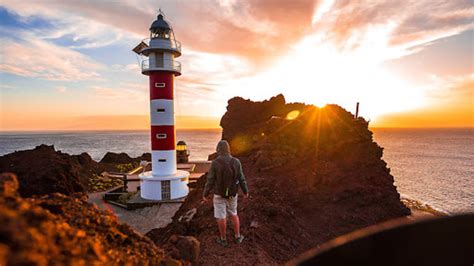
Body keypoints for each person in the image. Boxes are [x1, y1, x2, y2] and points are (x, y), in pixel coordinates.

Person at [202, 140, 249, 247]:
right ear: (228, 149)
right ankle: (237, 237)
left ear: (218, 149)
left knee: (221, 216)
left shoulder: (215, 163)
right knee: (233, 213)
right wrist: (245, 191)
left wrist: (205, 194)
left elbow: (210, 180)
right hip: (233, 193)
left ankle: (223, 239)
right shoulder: (236, 162)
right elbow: (242, 179)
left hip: (219, 194)